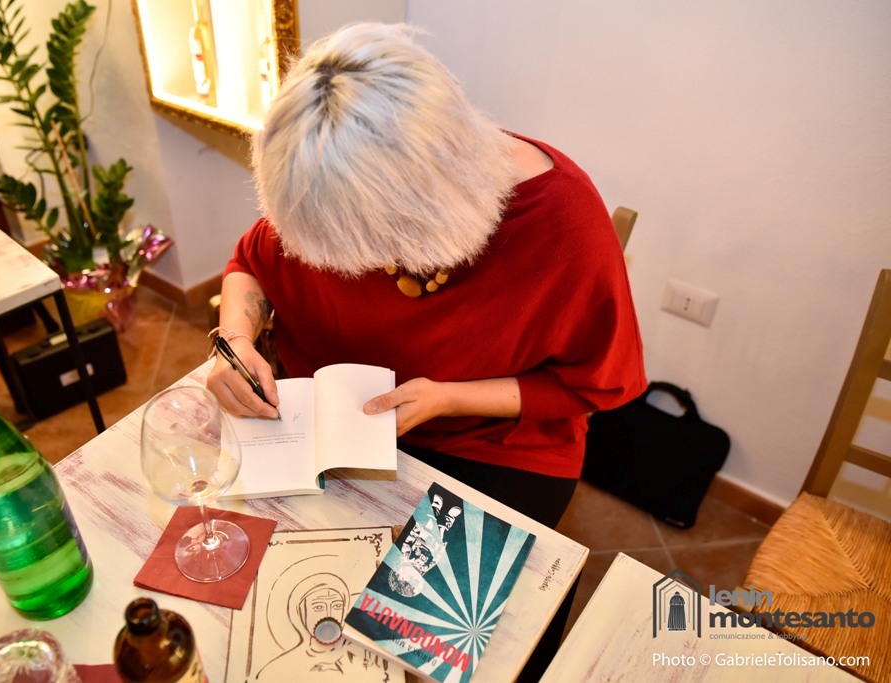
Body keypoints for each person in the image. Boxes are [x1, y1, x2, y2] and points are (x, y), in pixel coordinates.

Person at [206, 22, 646, 530]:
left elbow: (594, 385)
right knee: (246, 547)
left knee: (423, 585)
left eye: (372, 242)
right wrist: (235, 341)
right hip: (327, 423)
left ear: (432, 200)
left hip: (489, 445)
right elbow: (251, 264)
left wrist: (448, 398)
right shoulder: (326, 178)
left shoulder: (563, 224)